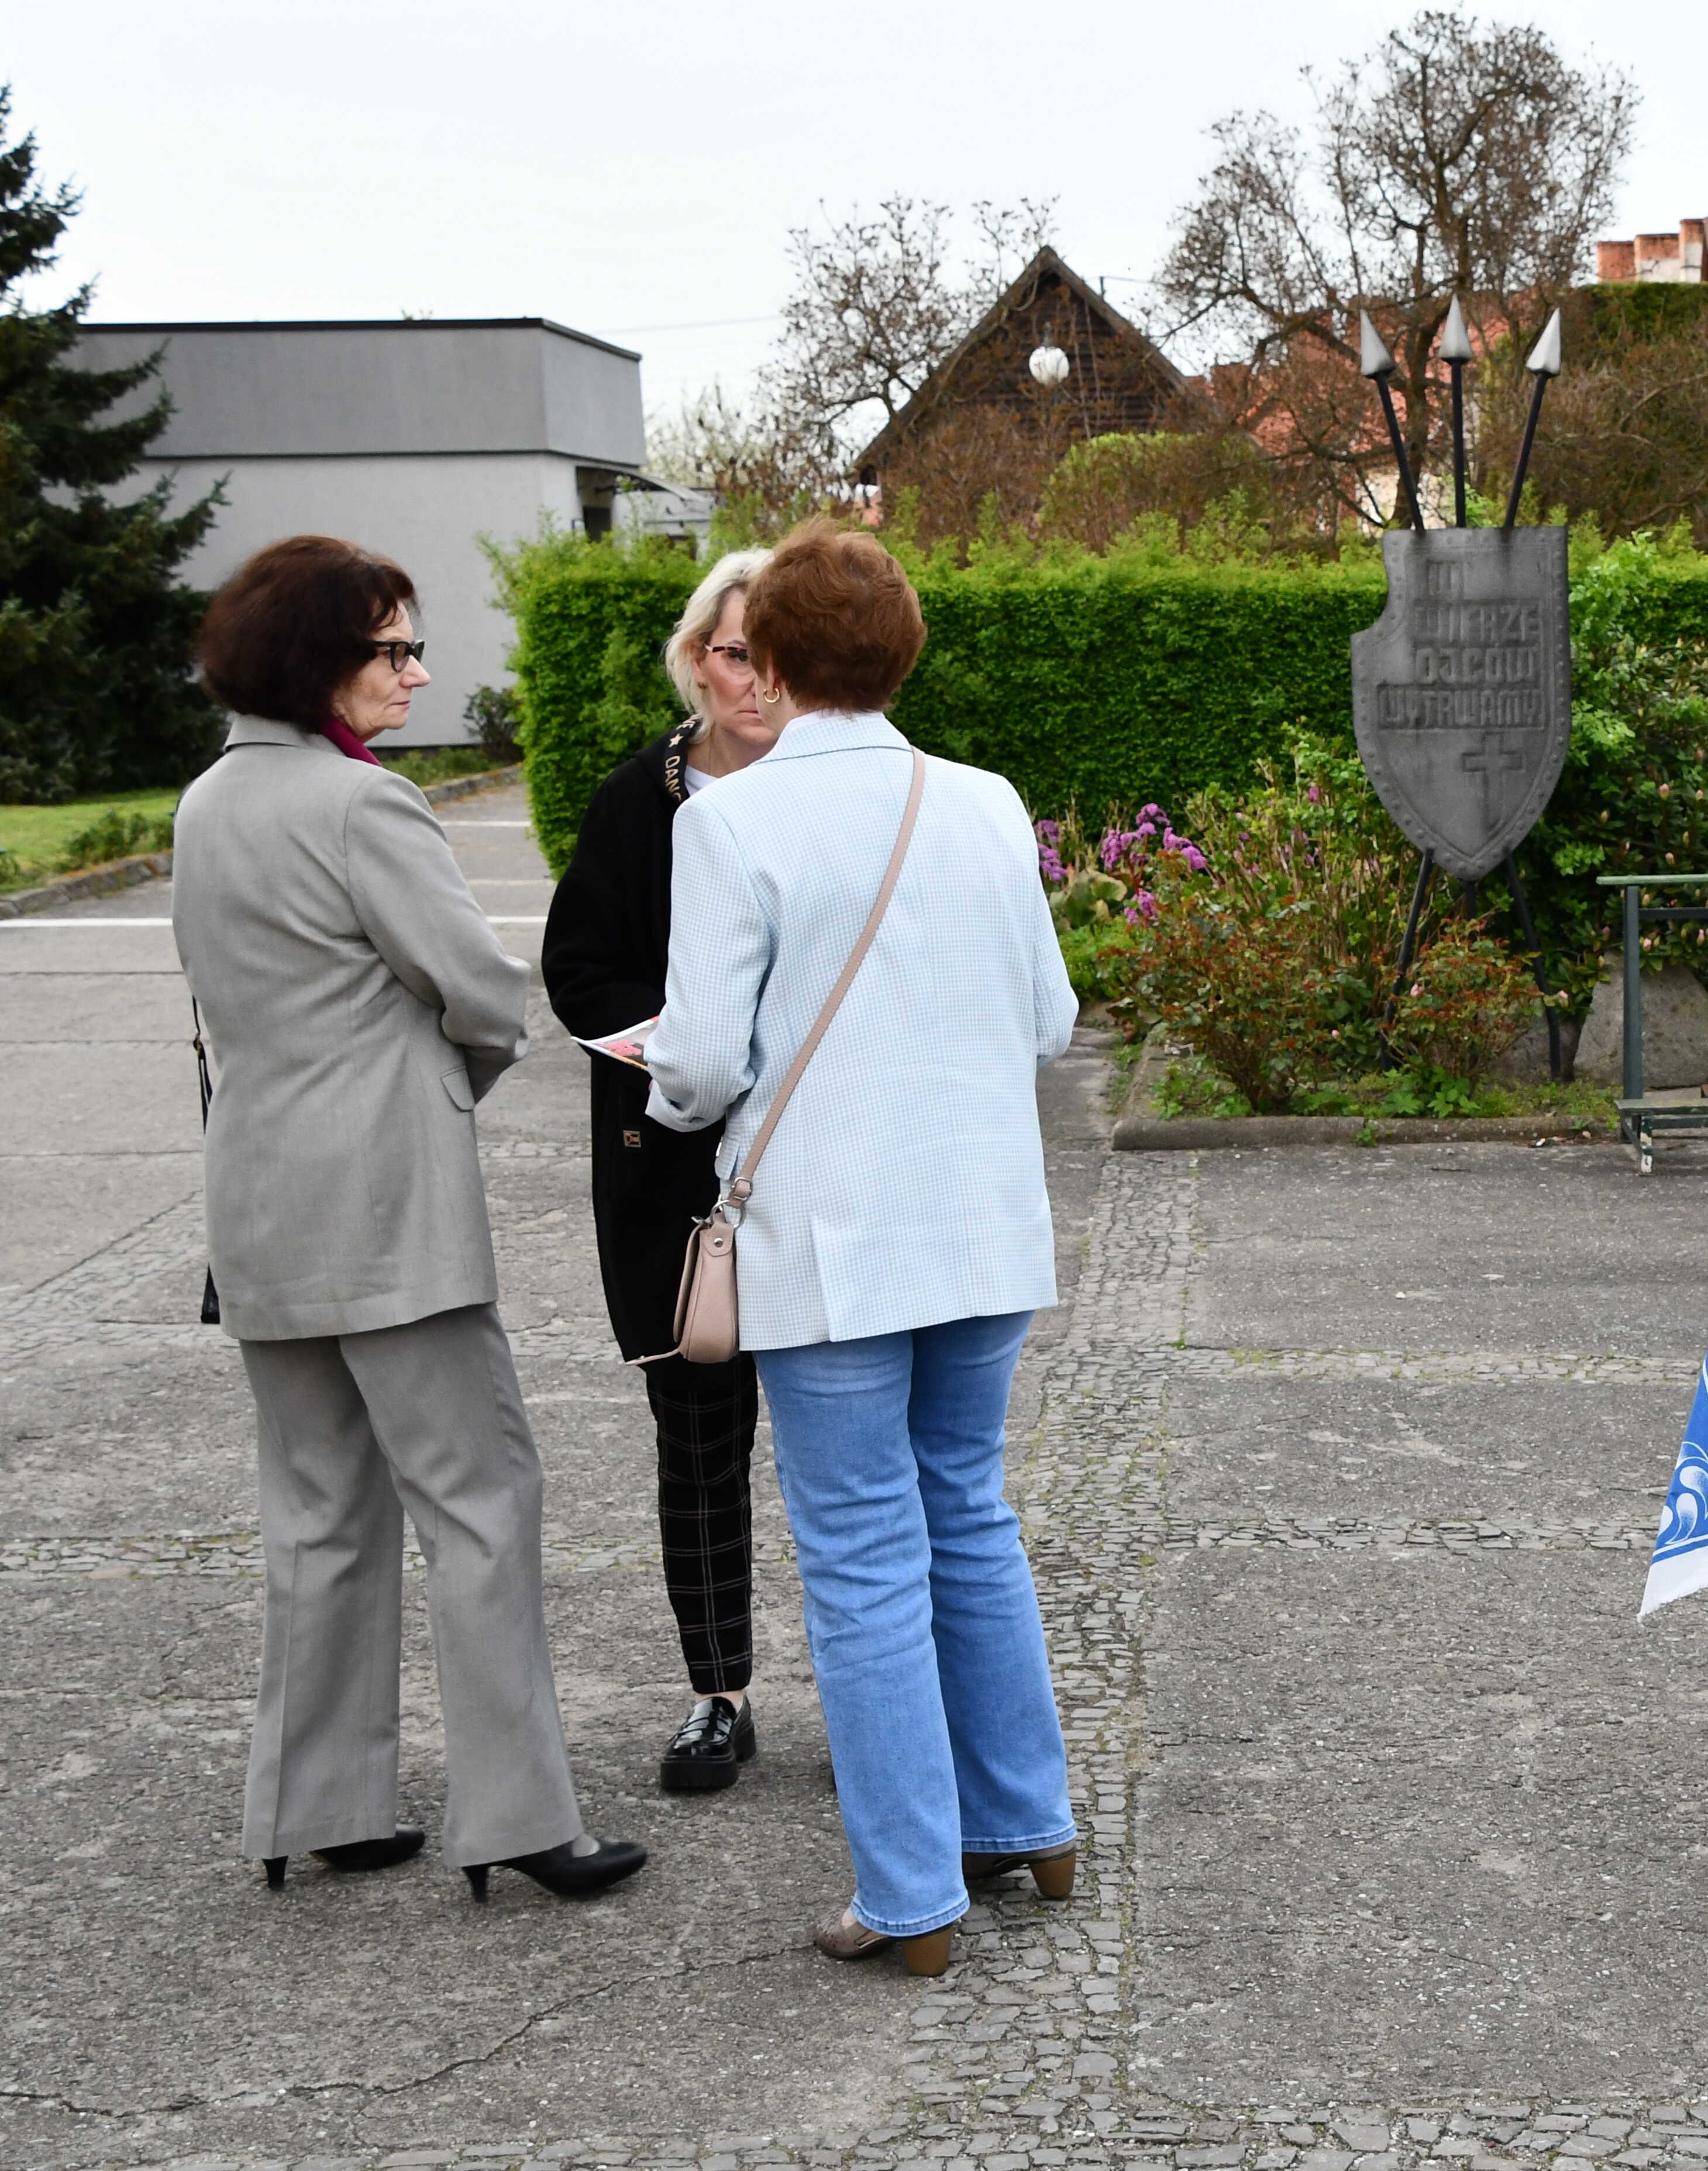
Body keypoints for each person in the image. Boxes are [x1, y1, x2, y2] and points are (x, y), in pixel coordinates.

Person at [172, 535, 646, 1903]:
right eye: (394, 647)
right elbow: (487, 995)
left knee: (318, 1511)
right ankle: (515, 1816)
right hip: (389, 1212)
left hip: (257, 1203)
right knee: (481, 1500)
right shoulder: (362, 807)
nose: (417, 672)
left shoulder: (205, 803)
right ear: (319, 655)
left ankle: (311, 1803)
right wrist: (447, 1080)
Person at [645, 519, 1080, 1979]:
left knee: (862, 1557)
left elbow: (701, 1066)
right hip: (981, 1220)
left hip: (830, 1238)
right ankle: (1030, 1817)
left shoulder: (731, 821)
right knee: (969, 1510)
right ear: (904, 652)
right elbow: (1050, 1020)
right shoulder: (982, 797)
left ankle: (911, 1896)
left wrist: (662, 1079)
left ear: (763, 658)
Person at [542, 547, 780, 1794]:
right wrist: (685, 1043)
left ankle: (877, 1690)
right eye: (739, 650)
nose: (759, 678)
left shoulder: (827, 787)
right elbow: (579, 968)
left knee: (852, 1447)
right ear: (698, 658)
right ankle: (718, 1691)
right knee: (696, 1440)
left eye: (781, 652)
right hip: (676, 1170)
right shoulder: (639, 799)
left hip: (814, 1163)